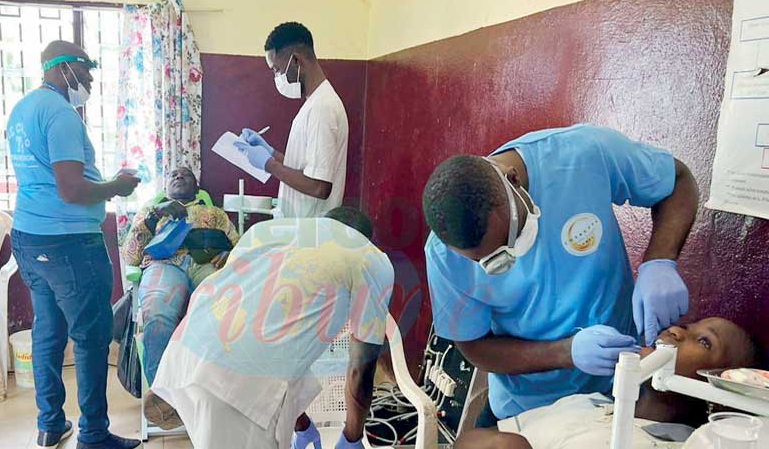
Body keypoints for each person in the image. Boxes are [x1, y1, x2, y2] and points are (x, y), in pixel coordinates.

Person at [423, 124, 700, 425]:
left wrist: (659, 261)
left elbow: (677, 180)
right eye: (493, 261)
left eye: (512, 236)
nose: (514, 255)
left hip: (617, 389)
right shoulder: (443, 257)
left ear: (513, 180)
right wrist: (567, 353)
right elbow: (475, 348)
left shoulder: (582, 155)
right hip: (526, 409)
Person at [147, 207, 393, 449]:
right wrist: (352, 438)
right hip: (238, 389)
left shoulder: (265, 230)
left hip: (185, 354)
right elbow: (361, 370)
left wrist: (302, 425)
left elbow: (270, 344)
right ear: (365, 238)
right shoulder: (370, 258)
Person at [7, 39, 141, 449]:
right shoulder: (62, 115)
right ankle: (94, 435)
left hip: (30, 239)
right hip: (69, 245)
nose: (90, 80)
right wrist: (116, 186)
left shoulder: (21, 110)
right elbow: (70, 189)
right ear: (66, 68)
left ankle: (50, 423)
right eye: (87, 71)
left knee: (47, 331)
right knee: (90, 337)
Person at [453, 317, 762, 449]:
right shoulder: (586, 403)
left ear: (719, 390)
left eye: (704, 342)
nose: (676, 331)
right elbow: (474, 439)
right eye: (687, 326)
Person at [121, 167, 239, 398]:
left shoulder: (214, 213)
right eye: (173, 175)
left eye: (185, 174)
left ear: (196, 186)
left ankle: (220, 393)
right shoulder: (150, 212)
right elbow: (130, 256)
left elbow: (239, 247)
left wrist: (229, 256)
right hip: (164, 264)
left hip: (208, 264)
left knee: (229, 312)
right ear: (165, 187)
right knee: (158, 314)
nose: (178, 176)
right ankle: (163, 398)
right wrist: (154, 215)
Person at [235, 22, 349, 218]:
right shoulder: (314, 103)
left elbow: (319, 187)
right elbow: (306, 168)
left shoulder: (323, 107)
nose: (277, 77)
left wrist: (269, 164)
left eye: (277, 69)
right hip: (301, 227)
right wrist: (271, 153)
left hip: (311, 231)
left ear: (296, 61)